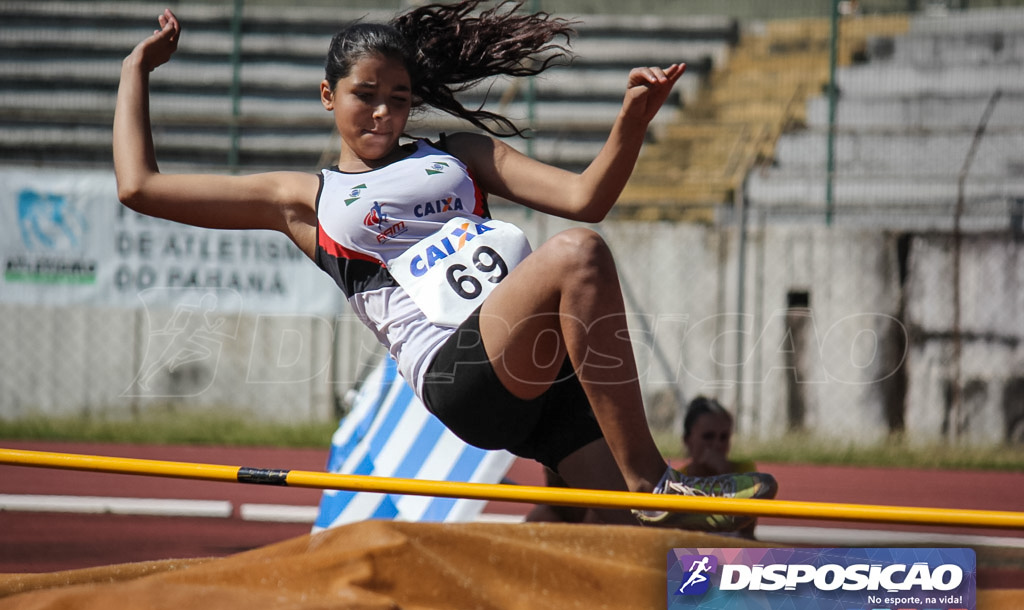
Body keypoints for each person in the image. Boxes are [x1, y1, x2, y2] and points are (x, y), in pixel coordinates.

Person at [114, 1, 776, 528]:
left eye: (398, 98)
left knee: (661, 536)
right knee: (578, 255)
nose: (382, 111)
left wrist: (633, 119)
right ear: (327, 95)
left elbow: (586, 196)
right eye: (364, 94)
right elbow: (139, 185)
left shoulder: (457, 154)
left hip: (542, 371)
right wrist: (135, 72)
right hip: (459, 373)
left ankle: (678, 555)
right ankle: (653, 479)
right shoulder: (304, 196)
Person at [679, 396, 765, 535]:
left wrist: (725, 476)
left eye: (724, 437)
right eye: (708, 436)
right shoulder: (677, 482)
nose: (717, 444)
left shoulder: (745, 473)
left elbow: (746, 532)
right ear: (687, 440)